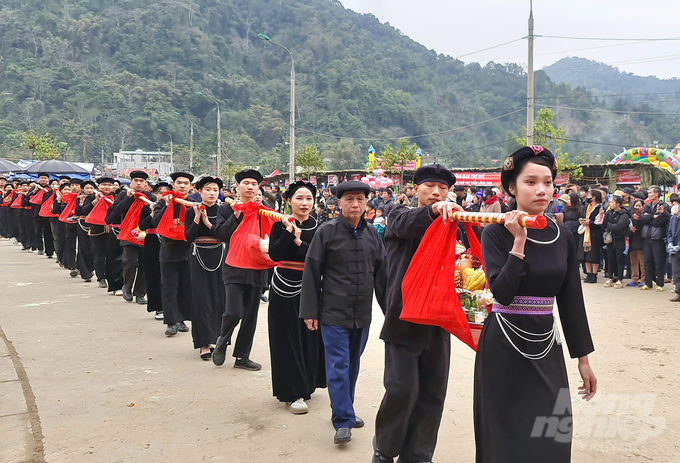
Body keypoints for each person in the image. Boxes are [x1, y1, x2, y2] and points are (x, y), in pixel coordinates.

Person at [476, 146, 596, 463]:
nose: (541, 189)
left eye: (547, 182)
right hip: (504, 345)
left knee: (554, 433)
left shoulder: (563, 236)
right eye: (530, 182)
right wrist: (519, 241)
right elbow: (501, 292)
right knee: (505, 435)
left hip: (546, 345)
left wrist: (583, 358)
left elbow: (571, 299)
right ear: (512, 187)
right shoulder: (494, 232)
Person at [373, 164, 461, 463]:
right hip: (403, 320)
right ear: (415, 189)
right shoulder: (399, 215)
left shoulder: (453, 224)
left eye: (443, 188)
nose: (436, 193)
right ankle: (384, 451)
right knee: (401, 391)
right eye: (430, 187)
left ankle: (418, 455)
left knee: (433, 394)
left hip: (437, 320)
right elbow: (409, 224)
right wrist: (437, 211)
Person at [300, 180, 387, 445]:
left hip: (361, 314)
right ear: (339, 203)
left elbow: (382, 275)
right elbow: (312, 273)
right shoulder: (326, 232)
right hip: (333, 314)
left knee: (352, 365)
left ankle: (343, 408)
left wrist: (390, 310)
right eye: (349, 199)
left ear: (366, 203)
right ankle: (343, 420)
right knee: (338, 365)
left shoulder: (372, 234)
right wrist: (309, 311)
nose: (355, 204)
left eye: (360, 199)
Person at [267, 181, 326, 414]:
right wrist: (289, 234)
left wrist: (300, 241)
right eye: (299, 198)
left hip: (311, 286)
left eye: (309, 198)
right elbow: (274, 255)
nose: (304, 203)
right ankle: (291, 393)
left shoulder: (320, 227)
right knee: (286, 338)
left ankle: (307, 384)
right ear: (289, 201)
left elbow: (320, 258)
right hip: (282, 287)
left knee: (309, 336)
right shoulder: (279, 225)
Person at [212, 169, 267, 371]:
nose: (250, 186)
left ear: (258, 187)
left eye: (254, 183)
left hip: (257, 267)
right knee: (234, 311)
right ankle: (223, 339)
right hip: (234, 266)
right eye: (246, 183)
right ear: (238, 187)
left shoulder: (265, 210)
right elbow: (220, 234)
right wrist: (235, 216)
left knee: (251, 315)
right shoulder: (227, 208)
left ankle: (242, 356)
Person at [185, 176, 225, 360]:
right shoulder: (190, 210)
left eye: (215, 189)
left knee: (219, 297)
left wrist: (207, 222)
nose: (211, 193)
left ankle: (219, 339)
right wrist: (196, 218)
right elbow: (189, 237)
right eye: (207, 189)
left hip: (219, 255)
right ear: (199, 192)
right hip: (198, 255)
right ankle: (203, 343)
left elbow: (222, 234)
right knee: (200, 299)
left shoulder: (224, 210)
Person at [151, 172, 194, 336]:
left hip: (188, 251)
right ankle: (170, 321)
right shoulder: (163, 202)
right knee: (169, 288)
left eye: (186, 183)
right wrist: (168, 206)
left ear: (190, 186)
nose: (182, 186)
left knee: (185, 287)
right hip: (168, 250)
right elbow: (155, 223)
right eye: (179, 183)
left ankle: (181, 318)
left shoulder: (193, 203)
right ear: (173, 185)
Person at [105, 170, 152, 303]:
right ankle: (127, 286)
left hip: (145, 235)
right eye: (136, 181)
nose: (138, 183)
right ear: (131, 182)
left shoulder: (150, 197)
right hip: (128, 234)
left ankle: (140, 293)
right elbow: (112, 216)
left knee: (145, 265)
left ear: (145, 183)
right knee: (129, 262)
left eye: (141, 181)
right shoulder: (122, 195)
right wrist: (128, 199)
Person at [139, 182, 172, 320]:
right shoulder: (148, 208)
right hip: (152, 241)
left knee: (170, 277)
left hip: (170, 243)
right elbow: (141, 226)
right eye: (160, 192)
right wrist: (152, 215)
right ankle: (158, 307)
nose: (163, 195)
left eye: (166, 192)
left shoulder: (176, 207)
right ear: (154, 194)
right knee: (154, 275)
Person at [638, 186, 670, 291]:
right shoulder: (647, 205)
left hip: (658, 237)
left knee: (658, 261)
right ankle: (648, 283)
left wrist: (649, 218)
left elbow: (661, 221)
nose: (649, 194)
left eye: (650, 192)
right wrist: (652, 216)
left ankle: (660, 283)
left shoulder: (664, 205)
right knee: (647, 261)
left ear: (656, 194)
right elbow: (641, 218)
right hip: (646, 237)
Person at [602, 193, 631, 288]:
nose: (610, 203)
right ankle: (610, 278)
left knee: (619, 259)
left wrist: (609, 226)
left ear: (618, 204)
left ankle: (620, 279)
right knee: (610, 258)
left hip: (620, 238)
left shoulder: (624, 213)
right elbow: (603, 224)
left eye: (612, 202)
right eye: (610, 202)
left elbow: (620, 226)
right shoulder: (608, 212)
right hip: (610, 239)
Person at [580, 189, 604, 283]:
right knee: (586, 254)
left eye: (589, 195)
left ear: (593, 197)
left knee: (593, 255)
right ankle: (588, 274)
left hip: (594, 233)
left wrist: (590, 223)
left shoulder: (599, 208)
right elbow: (582, 216)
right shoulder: (586, 207)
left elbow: (600, 221)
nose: (587, 196)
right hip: (586, 232)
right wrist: (582, 221)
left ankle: (594, 275)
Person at [628, 197, 646, 287]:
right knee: (633, 262)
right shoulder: (630, 215)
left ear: (643, 206)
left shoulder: (644, 216)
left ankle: (643, 279)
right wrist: (630, 228)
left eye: (639, 206)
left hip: (641, 240)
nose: (637, 207)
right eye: (636, 205)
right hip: (632, 240)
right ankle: (634, 279)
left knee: (642, 263)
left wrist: (639, 219)